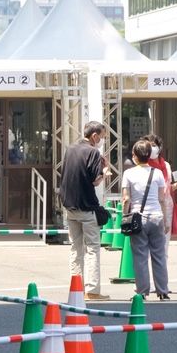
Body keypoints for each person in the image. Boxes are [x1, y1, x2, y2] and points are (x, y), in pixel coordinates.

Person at [59, 121, 110, 300]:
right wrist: (105, 170)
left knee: (75, 248)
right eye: (102, 137)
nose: (102, 140)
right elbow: (96, 181)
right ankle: (92, 290)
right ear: (94, 136)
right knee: (92, 249)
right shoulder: (93, 152)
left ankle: (76, 287)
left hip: (69, 206)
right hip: (87, 207)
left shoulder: (70, 149)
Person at [122, 139, 172, 299]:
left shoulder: (128, 173)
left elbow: (126, 199)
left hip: (138, 218)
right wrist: (166, 220)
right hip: (157, 217)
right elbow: (162, 198)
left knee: (140, 256)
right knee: (159, 255)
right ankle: (163, 290)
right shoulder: (157, 173)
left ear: (135, 156)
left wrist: (125, 216)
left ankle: (142, 291)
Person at [145, 134, 177, 240]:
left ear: (159, 147)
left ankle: (163, 257)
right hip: (151, 206)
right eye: (148, 145)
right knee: (150, 241)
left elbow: (168, 188)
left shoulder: (166, 165)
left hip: (167, 206)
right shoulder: (144, 166)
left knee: (165, 240)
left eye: (153, 145)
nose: (152, 148)